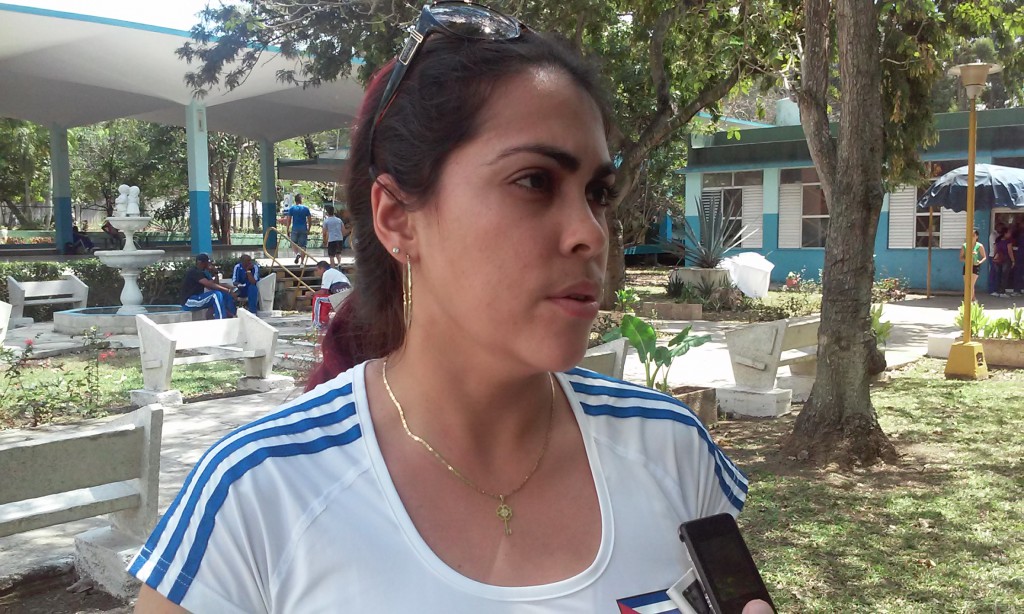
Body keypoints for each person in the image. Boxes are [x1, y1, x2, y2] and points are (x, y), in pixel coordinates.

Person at [131, 5, 769, 613]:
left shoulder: (669, 448)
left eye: (597, 193)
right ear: (397, 219)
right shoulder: (258, 493)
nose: (589, 233)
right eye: (534, 181)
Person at [179, 253, 236, 319]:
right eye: (207, 262)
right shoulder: (194, 272)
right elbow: (210, 285)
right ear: (201, 263)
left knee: (223, 294)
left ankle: (232, 316)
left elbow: (214, 285)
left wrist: (215, 273)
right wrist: (228, 290)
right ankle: (221, 319)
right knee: (215, 295)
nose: (209, 264)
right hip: (189, 301)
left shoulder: (203, 273)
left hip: (197, 299)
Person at [311, 260, 352, 330]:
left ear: (322, 269)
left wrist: (312, 294)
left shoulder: (327, 273)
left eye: (317, 270)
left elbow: (323, 292)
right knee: (323, 300)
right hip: (345, 296)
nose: (316, 272)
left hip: (341, 297)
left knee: (317, 298)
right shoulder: (334, 272)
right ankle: (324, 321)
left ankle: (316, 324)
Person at [282, 193, 312, 264]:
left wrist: (287, 230)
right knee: (303, 246)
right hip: (303, 229)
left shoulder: (292, 209)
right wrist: (309, 229)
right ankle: (302, 263)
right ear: (301, 200)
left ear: (295, 200)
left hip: (295, 229)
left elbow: (289, 220)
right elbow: (310, 220)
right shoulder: (306, 209)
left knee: (293, 243)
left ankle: (297, 254)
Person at [960, 228, 988, 302]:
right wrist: (967, 258)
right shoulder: (965, 245)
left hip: (975, 266)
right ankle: (973, 299)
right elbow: (961, 257)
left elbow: (984, 257)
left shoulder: (979, 246)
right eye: (970, 235)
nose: (971, 236)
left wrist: (979, 262)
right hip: (967, 266)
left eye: (973, 235)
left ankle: (968, 301)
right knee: (967, 284)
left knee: (971, 284)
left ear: (977, 237)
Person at [991, 225, 1015, 298]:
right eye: (1009, 233)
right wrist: (1013, 260)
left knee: (998, 275)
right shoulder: (1008, 241)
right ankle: (1002, 292)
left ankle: (997, 291)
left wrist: (994, 257)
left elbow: (995, 250)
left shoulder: (997, 240)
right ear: (1005, 233)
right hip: (1005, 259)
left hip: (998, 259)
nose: (1010, 234)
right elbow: (1010, 251)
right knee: (1004, 276)